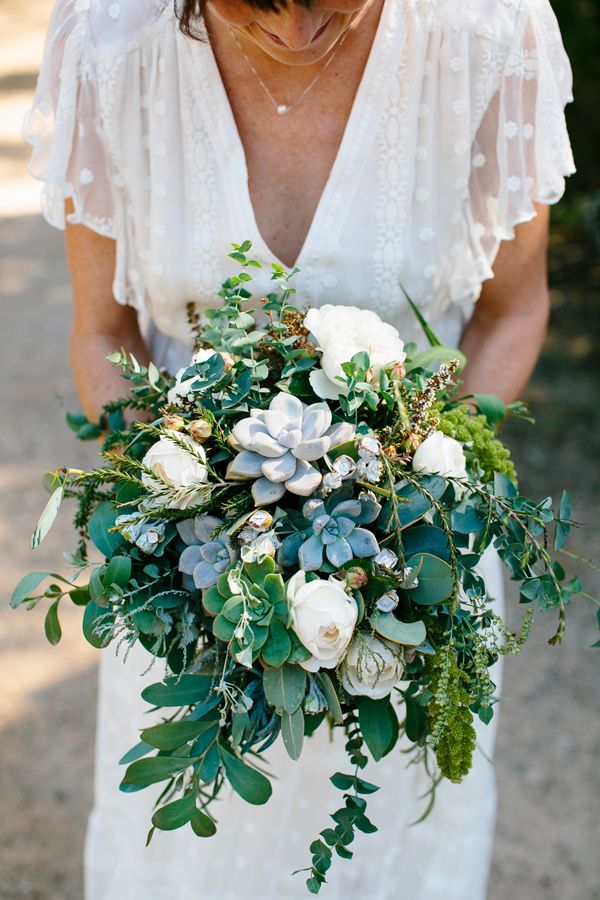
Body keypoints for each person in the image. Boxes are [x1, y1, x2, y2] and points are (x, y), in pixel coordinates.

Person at [23, 0, 575, 897]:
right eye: (254, 7)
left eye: (333, 2)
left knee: (395, 851)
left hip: (414, 569)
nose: (294, 32)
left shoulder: (492, 33)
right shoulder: (106, 43)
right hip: (190, 574)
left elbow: (515, 308)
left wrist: (421, 498)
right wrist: (171, 519)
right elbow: (104, 333)